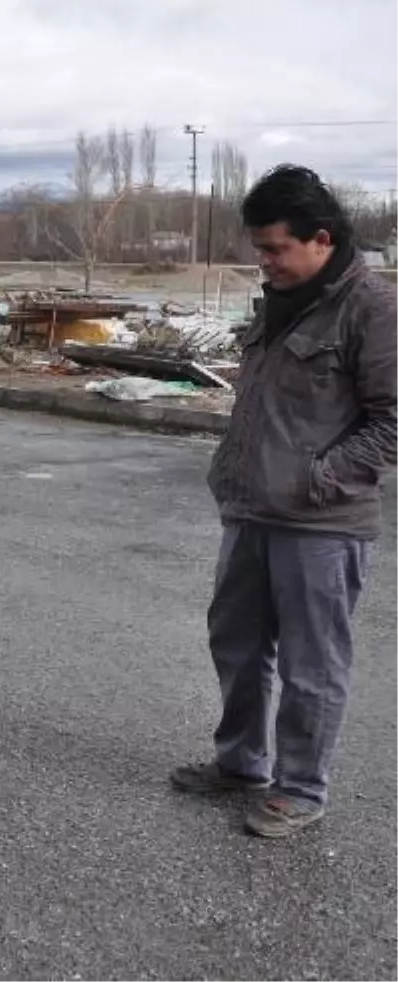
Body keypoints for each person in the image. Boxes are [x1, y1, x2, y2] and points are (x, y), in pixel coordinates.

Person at [170, 164, 398, 838]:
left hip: (323, 523)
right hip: (250, 511)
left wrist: (316, 479)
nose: (263, 263)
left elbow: (392, 420)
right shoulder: (278, 300)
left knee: (312, 663)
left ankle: (300, 788)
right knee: (235, 643)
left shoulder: (373, 311)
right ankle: (241, 762)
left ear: (321, 240)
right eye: (259, 249)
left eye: (274, 249)